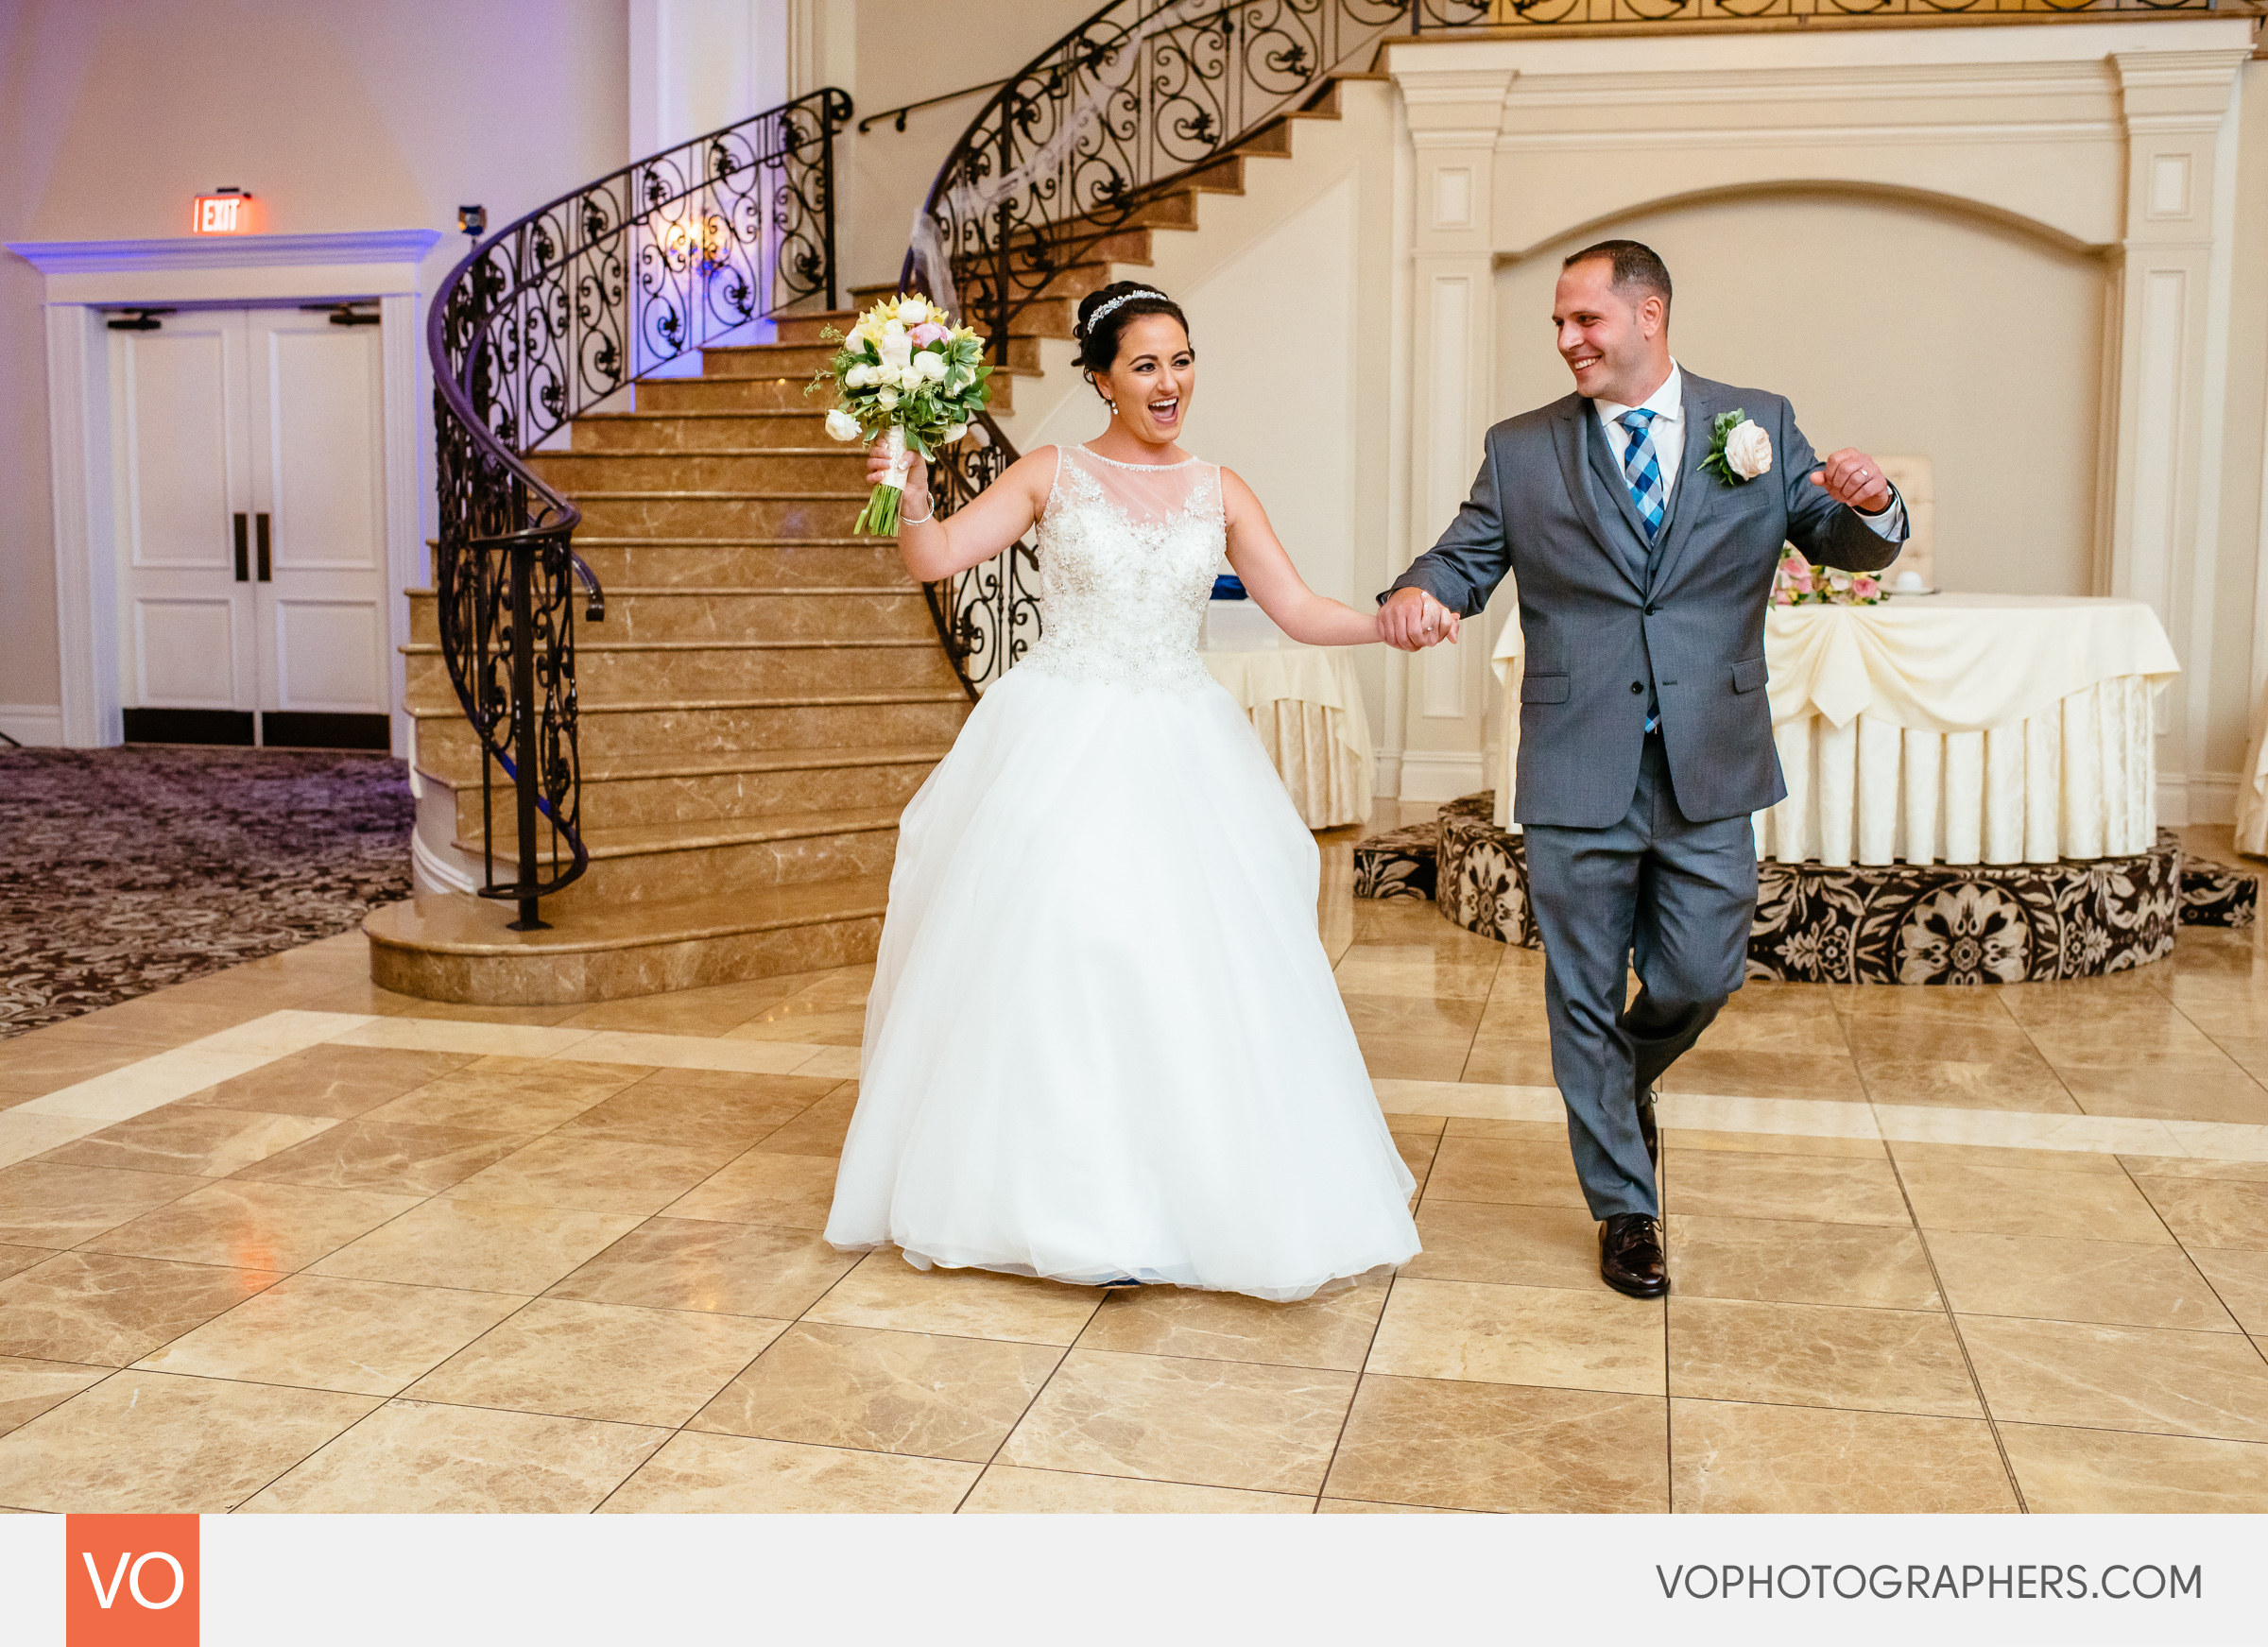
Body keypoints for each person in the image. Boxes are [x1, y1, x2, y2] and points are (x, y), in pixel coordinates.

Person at [824, 281, 1422, 1300]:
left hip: (1185, 742)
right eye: (1146, 364)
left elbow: (1298, 608)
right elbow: (933, 557)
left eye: (1182, 360)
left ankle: (1178, 1200)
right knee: (1064, 953)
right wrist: (911, 489)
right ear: (1100, 378)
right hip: (1061, 731)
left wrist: (1387, 623)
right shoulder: (1053, 474)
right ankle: (1060, 1201)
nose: (1170, 382)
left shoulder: (1221, 489)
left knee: (1188, 965)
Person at [1378, 241, 1906, 1300]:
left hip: (1711, 756)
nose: (1568, 341)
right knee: (1579, 990)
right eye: (1560, 325)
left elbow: (1847, 546)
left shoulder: (1753, 425)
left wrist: (1875, 499)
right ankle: (1627, 1211)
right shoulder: (1523, 449)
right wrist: (1420, 593)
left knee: (1700, 976)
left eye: (1587, 321)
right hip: (1579, 760)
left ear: (1649, 314)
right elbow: (1466, 553)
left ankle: (1617, 1086)